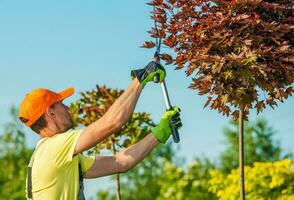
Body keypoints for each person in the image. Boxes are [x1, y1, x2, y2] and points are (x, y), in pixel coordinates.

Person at [18, 61, 182, 200]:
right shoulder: (53, 148)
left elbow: (121, 162)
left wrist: (160, 132)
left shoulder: (61, 157)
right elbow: (112, 122)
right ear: (50, 111)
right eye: (61, 104)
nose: (67, 107)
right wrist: (141, 79)